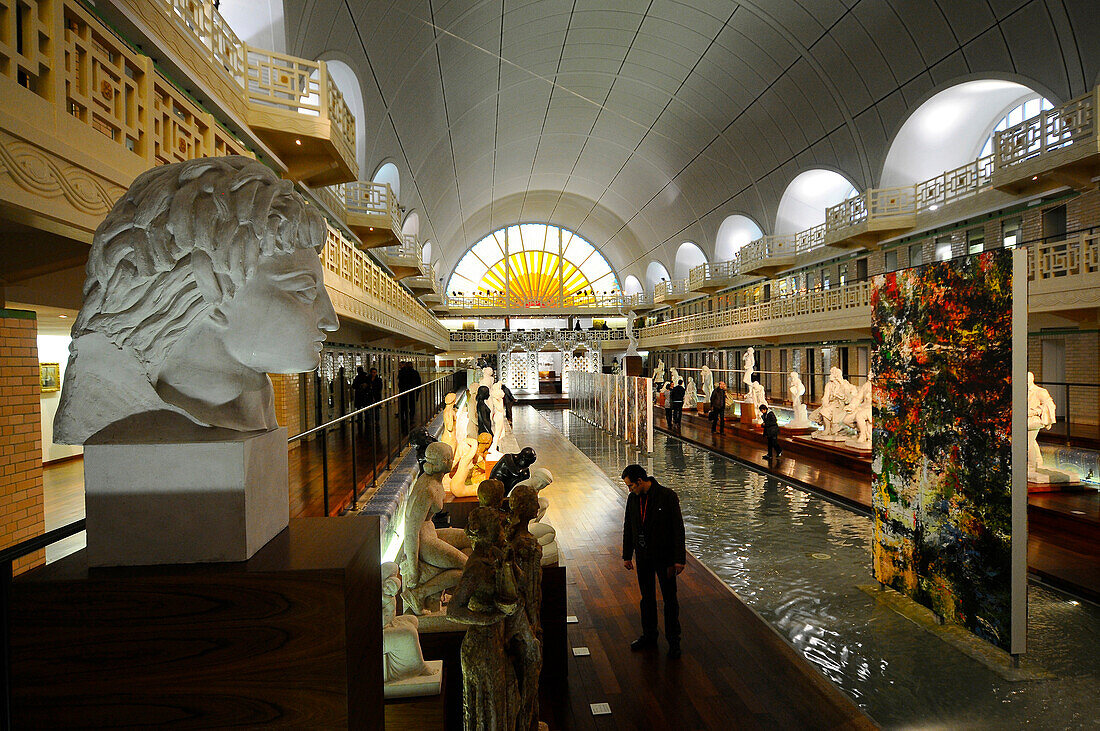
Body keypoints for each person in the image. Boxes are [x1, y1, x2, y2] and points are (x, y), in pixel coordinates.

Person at [621, 464, 686, 658]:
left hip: (664, 557)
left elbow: (678, 529)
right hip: (643, 557)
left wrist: (679, 559)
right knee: (646, 598)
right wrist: (626, 555)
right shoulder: (633, 499)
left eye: (631, 485)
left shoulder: (667, 496)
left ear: (640, 481)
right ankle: (649, 635)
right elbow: (628, 527)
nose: (630, 489)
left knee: (669, 600)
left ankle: (674, 641)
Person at [398, 361, 422, 434]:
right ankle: (410, 418)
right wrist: (418, 392)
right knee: (412, 406)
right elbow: (418, 383)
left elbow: (400, 383)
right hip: (412, 392)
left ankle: (404, 418)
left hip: (404, 393)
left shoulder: (402, 372)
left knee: (404, 406)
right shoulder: (415, 373)